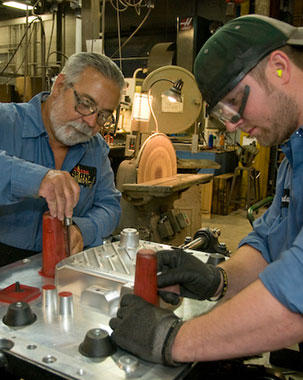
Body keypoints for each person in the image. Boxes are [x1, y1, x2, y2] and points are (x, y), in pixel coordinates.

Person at [109, 14, 303, 366]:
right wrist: (219, 278)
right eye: (223, 115)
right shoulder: (294, 152)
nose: (235, 128)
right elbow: (270, 240)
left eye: (235, 104)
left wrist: (172, 340)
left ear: (279, 67)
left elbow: (296, 299)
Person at [0, 52, 125, 266]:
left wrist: (82, 230)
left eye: (103, 115)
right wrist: (38, 179)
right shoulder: (5, 122)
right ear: (59, 85)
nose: (91, 122)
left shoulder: (96, 149)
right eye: (86, 104)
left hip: (65, 266)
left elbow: (110, 206)